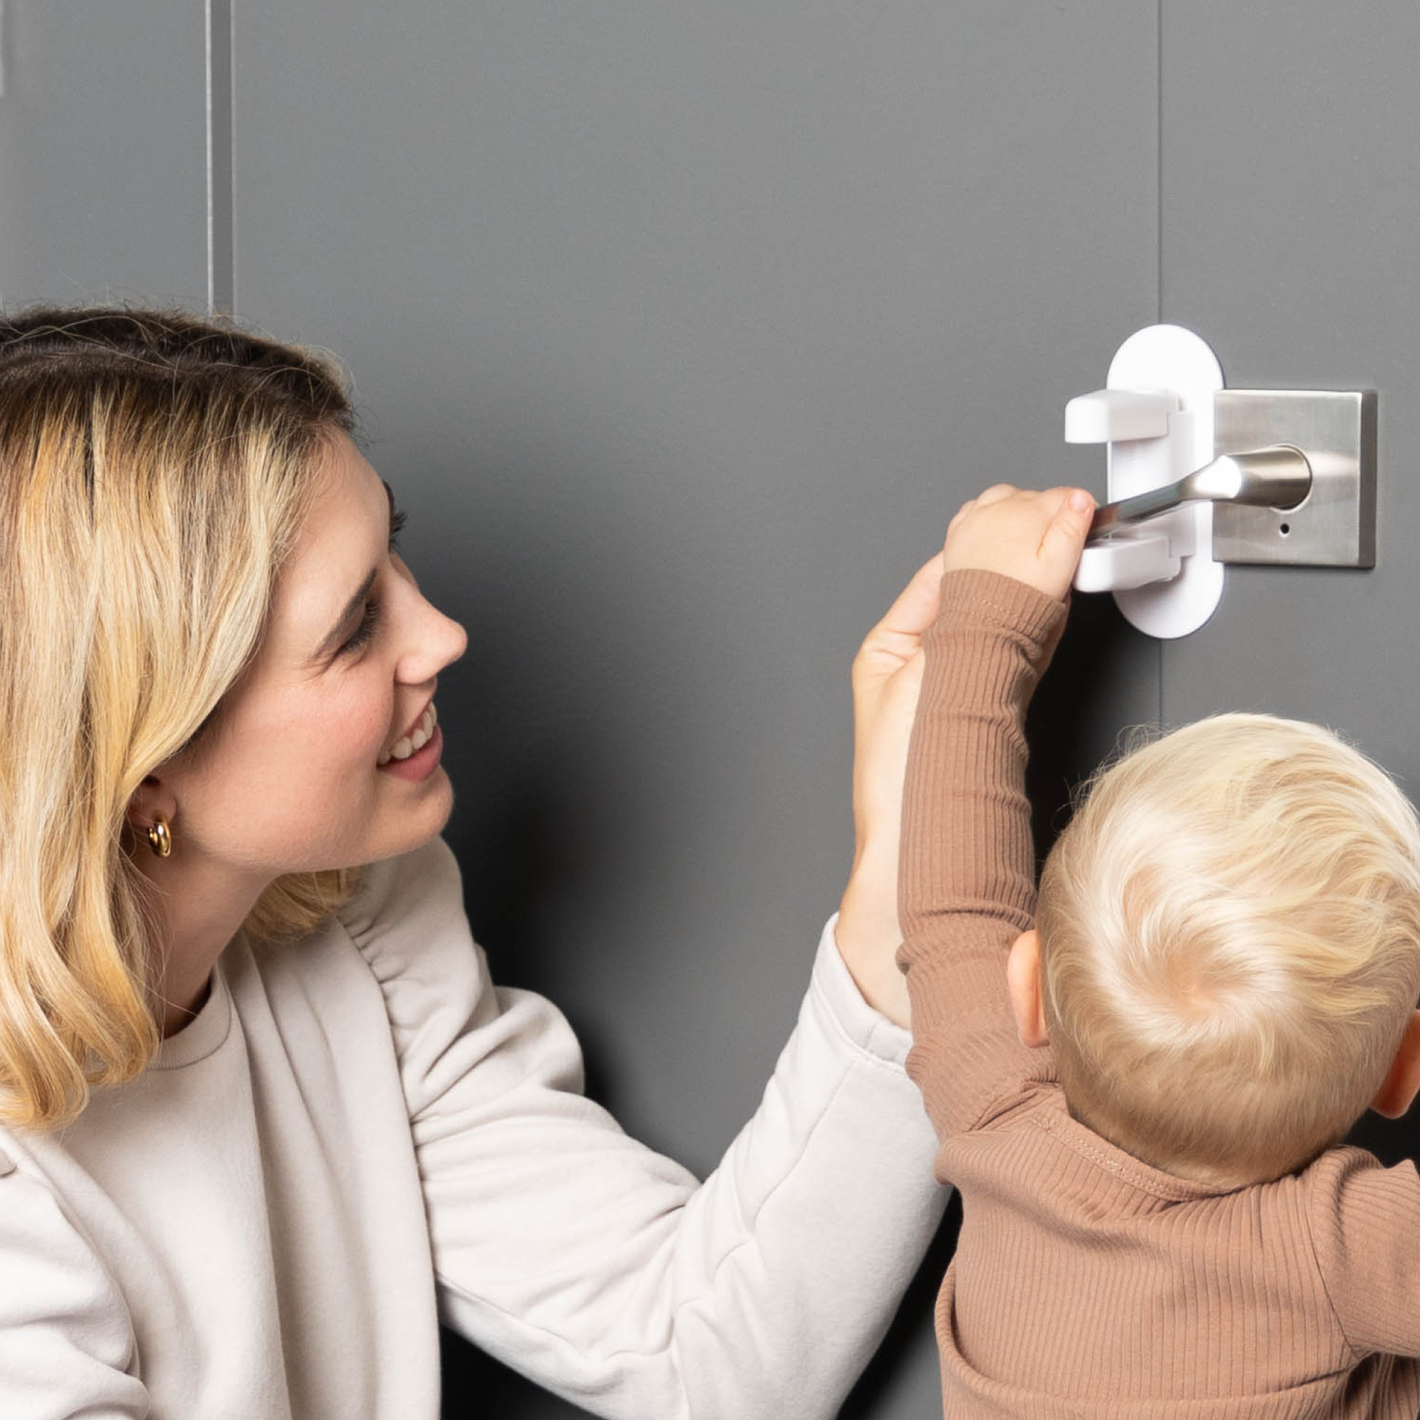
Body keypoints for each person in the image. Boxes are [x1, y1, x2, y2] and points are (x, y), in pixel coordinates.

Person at [0, 306, 949, 1419]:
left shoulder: (353, 923)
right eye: (355, 627)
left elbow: (703, 1350)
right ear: (145, 763)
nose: (440, 634)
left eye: (393, 554)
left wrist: (907, 866)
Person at [896, 482, 1420, 1417]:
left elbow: (953, 904)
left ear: (1030, 992)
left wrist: (986, 613)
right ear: (1402, 1069)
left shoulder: (993, 1112)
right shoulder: (1345, 1253)